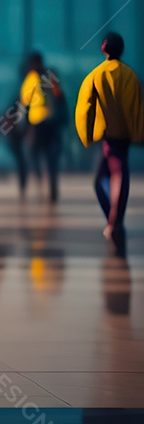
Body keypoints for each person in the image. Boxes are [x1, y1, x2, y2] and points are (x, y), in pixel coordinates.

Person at [76, 31, 144, 256]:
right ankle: (115, 222)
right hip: (123, 137)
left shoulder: (95, 75)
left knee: (105, 180)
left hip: (106, 138)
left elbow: (85, 108)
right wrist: (137, 134)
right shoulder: (130, 76)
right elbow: (137, 109)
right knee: (116, 176)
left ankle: (114, 222)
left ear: (103, 49)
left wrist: (86, 136)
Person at [20, 51, 59, 201]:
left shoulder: (31, 78)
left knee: (33, 155)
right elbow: (58, 95)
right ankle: (51, 185)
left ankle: (41, 184)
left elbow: (24, 101)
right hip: (51, 121)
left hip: (37, 123)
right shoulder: (51, 75)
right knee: (50, 157)